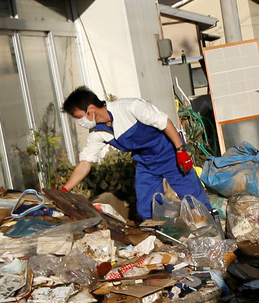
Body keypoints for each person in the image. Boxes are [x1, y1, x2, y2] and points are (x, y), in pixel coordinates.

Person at [61, 87, 211, 219]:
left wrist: (180, 150)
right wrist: (64, 190)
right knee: (147, 207)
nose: (79, 122)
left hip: (169, 154)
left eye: (78, 117)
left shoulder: (130, 107)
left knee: (193, 197)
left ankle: (211, 227)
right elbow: (86, 163)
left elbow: (164, 122)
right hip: (146, 163)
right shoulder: (97, 133)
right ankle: (159, 237)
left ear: (91, 109)